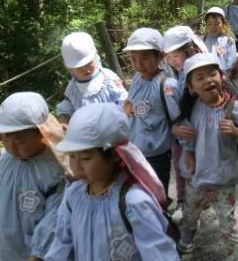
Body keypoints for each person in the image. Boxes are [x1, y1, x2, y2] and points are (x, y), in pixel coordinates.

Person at [45, 103, 181, 261]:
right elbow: (62, 243)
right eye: (72, 156)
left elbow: (159, 253)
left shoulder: (133, 202)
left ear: (115, 155)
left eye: (86, 158)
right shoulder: (73, 196)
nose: (77, 166)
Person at [176, 53, 238, 259]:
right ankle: (186, 239)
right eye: (200, 77)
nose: (208, 80)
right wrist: (188, 150)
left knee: (228, 226)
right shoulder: (193, 107)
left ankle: (236, 256)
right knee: (190, 214)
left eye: (212, 74)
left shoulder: (231, 106)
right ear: (191, 87)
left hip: (224, 180)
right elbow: (187, 131)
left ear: (221, 77)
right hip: (197, 177)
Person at [0, 92, 66, 261]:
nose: (11, 147)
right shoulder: (3, 159)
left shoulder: (54, 170)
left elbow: (55, 216)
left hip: (37, 252)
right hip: (5, 247)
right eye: (4, 138)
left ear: (41, 133)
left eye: (19, 140)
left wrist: (39, 252)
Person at [122, 28, 181, 196]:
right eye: (133, 59)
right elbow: (130, 102)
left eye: (145, 58)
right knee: (139, 192)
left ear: (160, 56)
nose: (139, 65)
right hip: (134, 150)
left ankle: (162, 219)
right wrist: (127, 108)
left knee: (157, 194)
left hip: (157, 154)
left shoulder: (167, 86)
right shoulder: (137, 78)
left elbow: (178, 120)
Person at [163, 25, 207, 210]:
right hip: (181, 130)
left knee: (198, 163)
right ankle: (183, 198)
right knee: (180, 163)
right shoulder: (175, 74)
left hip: (199, 128)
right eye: (169, 57)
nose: (173, 61)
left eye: (176, 55)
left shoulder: (200, 69)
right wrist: (173, 126)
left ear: (189, 51)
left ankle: (201, 195)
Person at [57, 32, 128, 128]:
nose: (86, 69)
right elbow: (68, 108)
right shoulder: (72, 88)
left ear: (95, 56)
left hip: (114, 129)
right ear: (69, 67)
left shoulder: (107, 78)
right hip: (89, 136)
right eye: (79, 67)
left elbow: (122, 99)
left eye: (88, 63)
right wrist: (63, 120)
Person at [202, 7, 238, 80]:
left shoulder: (228, 40)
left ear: (224, 24)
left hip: (223, 78)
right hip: (207, 78)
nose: (213, 27)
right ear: (206, 25)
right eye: (210, 24)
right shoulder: (203, 40)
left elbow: (231, 62)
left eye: (217, 24)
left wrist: (223, 75)